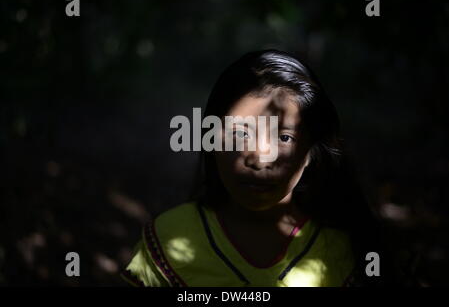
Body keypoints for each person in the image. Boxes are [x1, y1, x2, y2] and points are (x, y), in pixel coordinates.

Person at [121, 49, 392, 287]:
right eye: (239, 134)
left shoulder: (344, 252)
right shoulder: (165, 241)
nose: (259, 158)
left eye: (284, 137)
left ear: (311, 152)